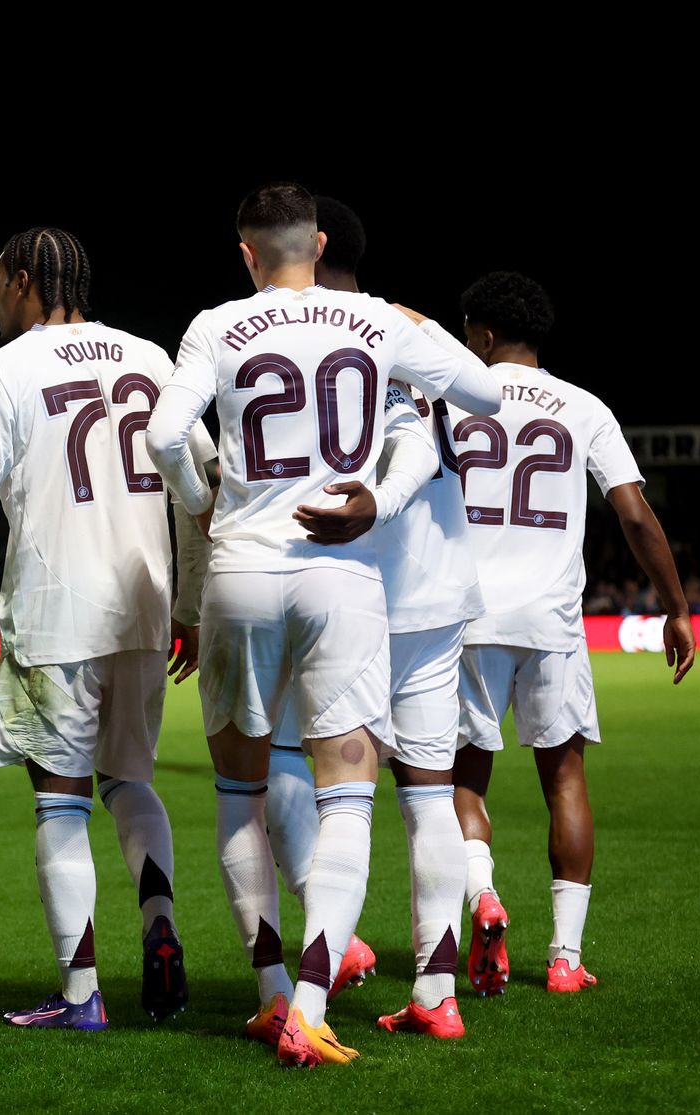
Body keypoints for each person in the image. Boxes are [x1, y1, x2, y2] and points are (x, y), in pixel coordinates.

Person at [145, 183, 502, 1067]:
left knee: (241, 794)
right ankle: (311, 1001)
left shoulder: (214, 323)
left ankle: (271, 995)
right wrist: (374, 497)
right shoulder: (376, 322)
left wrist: (202, 506)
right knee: (348, 793)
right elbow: (486, 394)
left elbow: (161, 433)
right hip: (340, 573)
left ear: (246, 253)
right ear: (320, 242)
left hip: (240, 571)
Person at [0, 227, 211, 1030]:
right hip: (145, 607)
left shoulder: (1, 371)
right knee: (130, 779)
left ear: (24, 279)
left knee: (59, 800)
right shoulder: (151, 357)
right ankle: (159, 921)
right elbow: (202, 488)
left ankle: (82, 992)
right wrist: (186, 601)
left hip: (56, 612)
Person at [444, 271, 695, 995]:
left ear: (484, 336)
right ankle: (564, 958)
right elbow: (636, 516)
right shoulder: (585, 407)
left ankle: (483, 894)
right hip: (552, 619)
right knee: (565, 779)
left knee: (463, 777)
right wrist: (676, 607)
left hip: (467, 617)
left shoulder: (452, 399)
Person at [309, 197, 481, 1039]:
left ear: (316, 243)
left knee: (326, 788)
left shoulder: (306, 328)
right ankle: (436, 991)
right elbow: (482, 402)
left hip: (354, 581)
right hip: (439, 584)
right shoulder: (413, 328)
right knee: (429, 793)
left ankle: (316, 967)